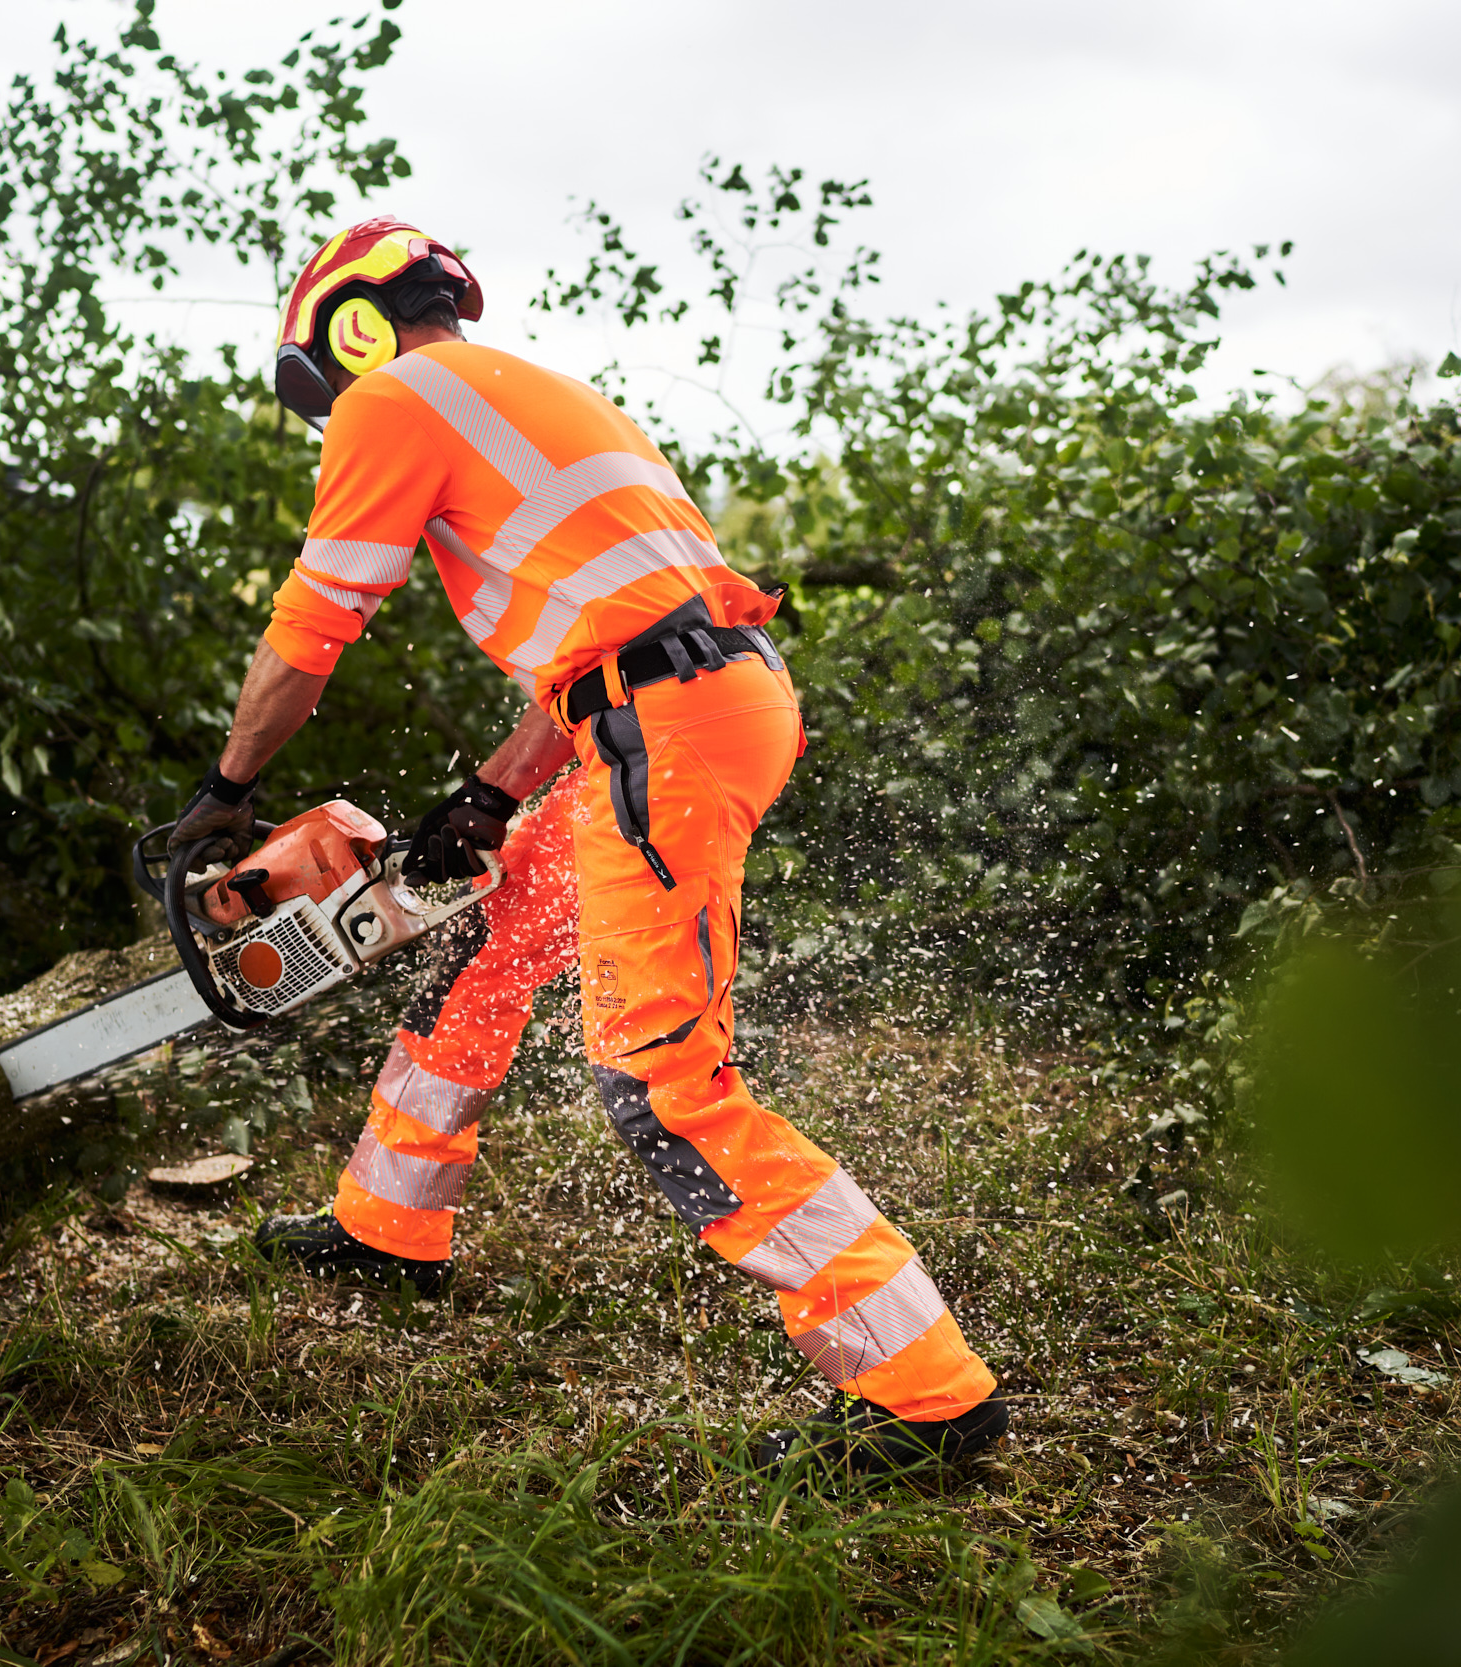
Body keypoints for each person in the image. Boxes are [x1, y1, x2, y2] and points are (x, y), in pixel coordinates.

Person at [168, 217, 1007, 1479]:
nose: (327, 406)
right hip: (678, 700)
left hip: (660, 726)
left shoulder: (393, 395)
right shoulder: (550, 394)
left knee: (661, 1080)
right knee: (497, 938)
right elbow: (616, 620)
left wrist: (227, 788)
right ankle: (388, 1220)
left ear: (348, 325)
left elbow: (312, 625)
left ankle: (924, 1393)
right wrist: (496, 796)